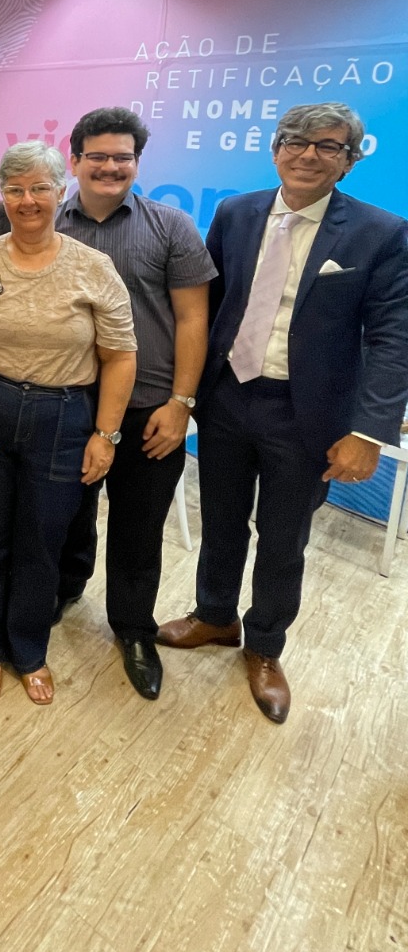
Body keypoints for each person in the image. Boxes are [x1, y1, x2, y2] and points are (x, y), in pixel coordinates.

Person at [157, 103, 408, 723]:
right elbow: (208, 306)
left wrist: (369, 431)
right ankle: (215, 616)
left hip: (307, 415)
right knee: (220, 519)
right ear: (275, 149)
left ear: (349, 162)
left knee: (282, 538)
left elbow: (393, 337)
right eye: (295, 141)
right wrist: (184, 393)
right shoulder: (236, 213)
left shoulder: (381, 233)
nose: (307, 154)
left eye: (328, 146)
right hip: (228, 398)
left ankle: (265, 645)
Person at [0, 141, 136, 705]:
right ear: (2, 196)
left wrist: (105, 435)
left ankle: (29, 649)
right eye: (15, 189)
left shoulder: (93, 268)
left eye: (39, 189)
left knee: (42, 540)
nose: (27, 200)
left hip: (65, 417)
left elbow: (120, 355)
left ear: (61, 191)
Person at [53, 107, 215, 700]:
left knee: (139, 529)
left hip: (150, 409)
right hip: (69, 402)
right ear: (74, 161)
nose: (110, 167)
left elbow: (193, 318)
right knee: (66, 513)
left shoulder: (171, 227)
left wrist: (182, 403)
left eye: (122, 157)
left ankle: (133, 629)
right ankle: (64, 589)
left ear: (137, 163)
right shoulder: (45, 221)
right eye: (96, 156)